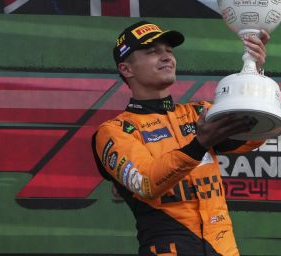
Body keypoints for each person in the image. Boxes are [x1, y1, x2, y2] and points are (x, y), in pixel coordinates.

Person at [91, 20, 270, 256]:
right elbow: (146, 183)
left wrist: (254, 72)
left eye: (168, 50)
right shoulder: (115, 131)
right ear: (127, 69)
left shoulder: (199, 113)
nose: (166, 57)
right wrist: (199, 145)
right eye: (152, 52)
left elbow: (255, 135)